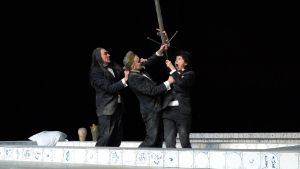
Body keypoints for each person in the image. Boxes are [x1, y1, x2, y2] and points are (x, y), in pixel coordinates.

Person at [123, 44, 175, 147]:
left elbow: (150, 61)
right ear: (133, 66)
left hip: (155, 107)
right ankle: (139, 157)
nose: (142, 60)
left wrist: (160, 51)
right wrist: (168, 82)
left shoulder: (139, 69)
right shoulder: (134, 78)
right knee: (152, 138)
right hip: (150, 110)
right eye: (139, 61)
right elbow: (152, 91)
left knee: (158, 139)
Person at [89, 47, 129, 147]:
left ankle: (113, 159)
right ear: (98, 56)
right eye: (105, 53)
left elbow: (125, 69)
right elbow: (109, 88)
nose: (108, 55)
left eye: (108, 53)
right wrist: (125, 79)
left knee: (117, 136)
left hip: (118, 106)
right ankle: (97, 159)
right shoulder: (96, 72)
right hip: (106, 108)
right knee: (105, 136)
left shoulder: (113, 66)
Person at [162, 50, 195, 148]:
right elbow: (166, 88)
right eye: (176, 59)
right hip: (168, 111)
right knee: (169, 142)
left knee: (184, 141)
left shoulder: (190, 74)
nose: (176, 60)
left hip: (182, 111)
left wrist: (172, 69)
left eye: (179, 59)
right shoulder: (172, 74)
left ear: (185, 62)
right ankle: (171, 162)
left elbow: (181, 84)